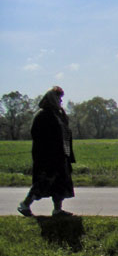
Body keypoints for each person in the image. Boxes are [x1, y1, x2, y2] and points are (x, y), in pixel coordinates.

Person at [17, 86, 76, 217]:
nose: (61, 101)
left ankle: (57, 210)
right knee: (43, 182)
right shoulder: (42, 115)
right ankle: (25, 204)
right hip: (47, 156)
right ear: (52, 99)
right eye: (59, 98)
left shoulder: (58, 114)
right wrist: (47, 154)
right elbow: (39, 137)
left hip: (61, 155)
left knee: (60, 183)